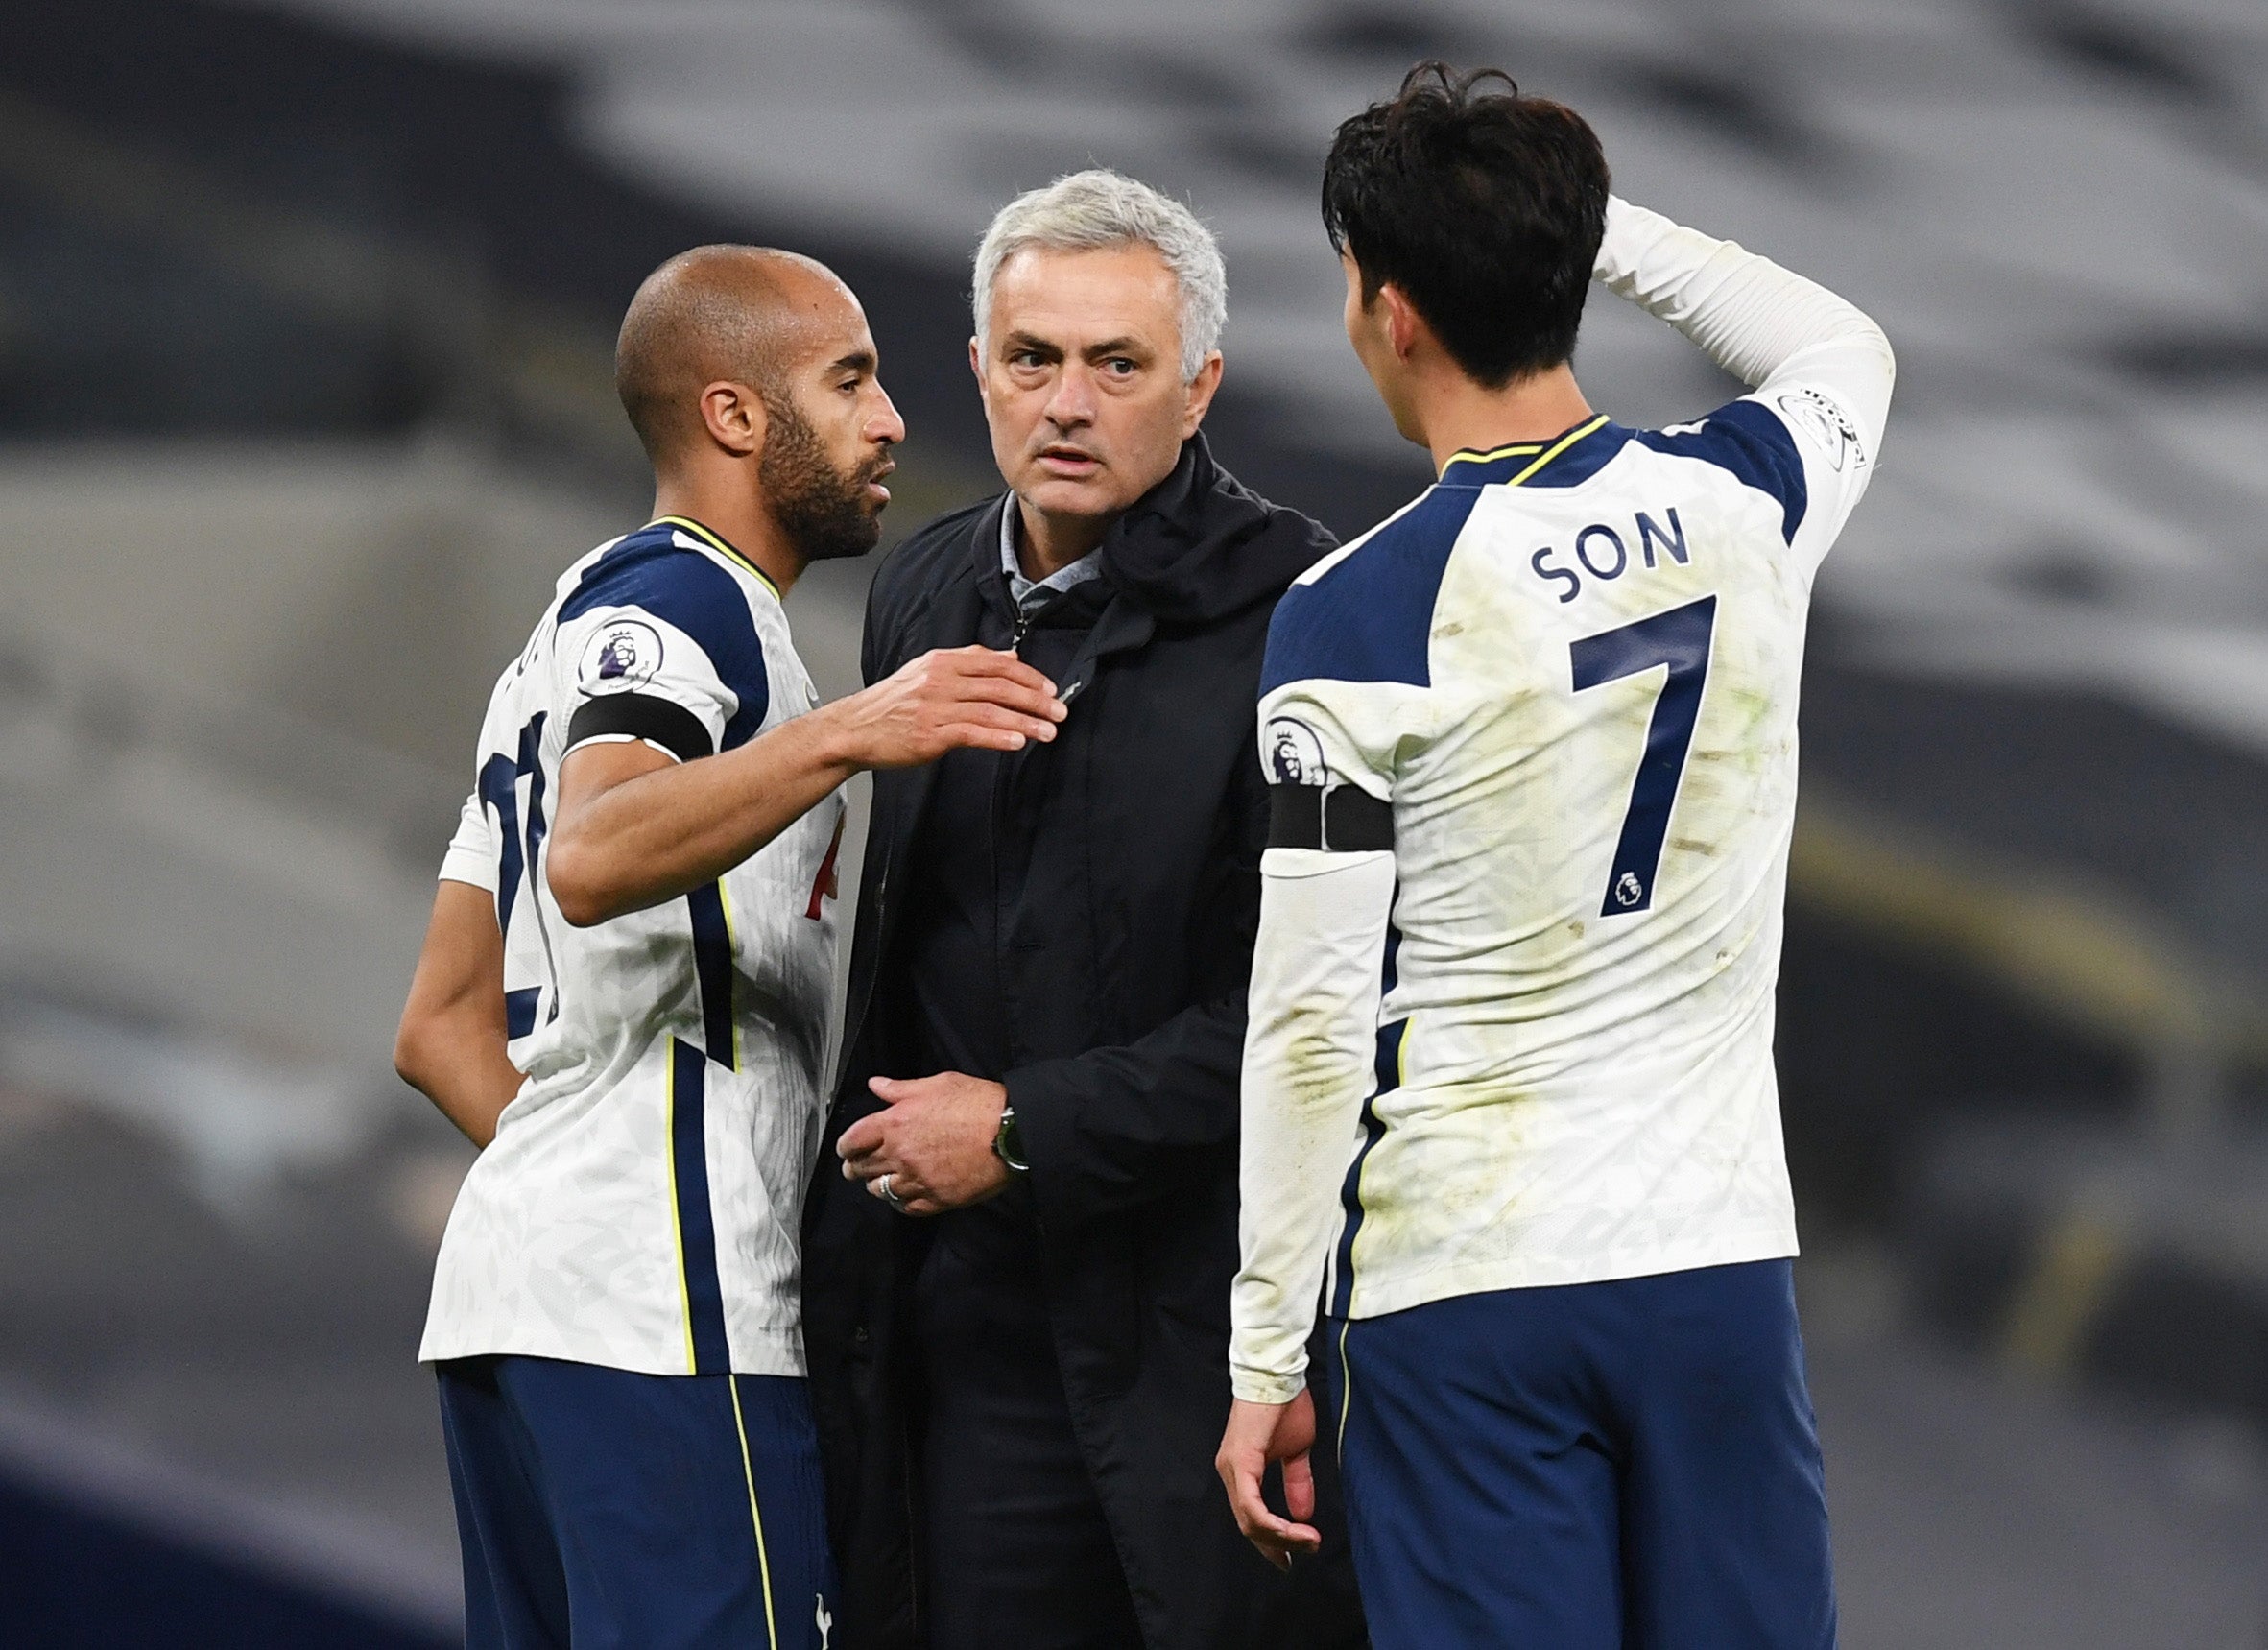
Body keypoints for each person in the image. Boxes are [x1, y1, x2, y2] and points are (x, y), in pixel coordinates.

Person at [1216, 65, 1895, 1650]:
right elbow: (1839, 346)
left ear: (1389, 312)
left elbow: (1310, 1026)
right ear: (1564, 274)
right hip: (1716, 1274)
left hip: (1469, 1297)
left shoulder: (1353, 618)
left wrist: (1265, 1361)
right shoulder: (1748, 501)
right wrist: (1601, 232)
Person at [393, 244, 1064, 1650]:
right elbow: (593, 854)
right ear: (734, 416)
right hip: (667, 1325)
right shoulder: (690, 602)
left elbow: (442, 1023)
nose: (889, 421)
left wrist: (584, 1213)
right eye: (851, 380)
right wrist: (853, 730)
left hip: (520, 1310)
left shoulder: (554, 655)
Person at [805, 172, 1365, 1650]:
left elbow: (1317, 1018)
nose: (1068, 401)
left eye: (1117, 365)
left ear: (1200, 390)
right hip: (969, 1342)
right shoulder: (922, 590)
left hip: (1218, 1346)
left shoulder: (1308, 616)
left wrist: (1016, 1128)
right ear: (978, 369)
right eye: (1033, 358)